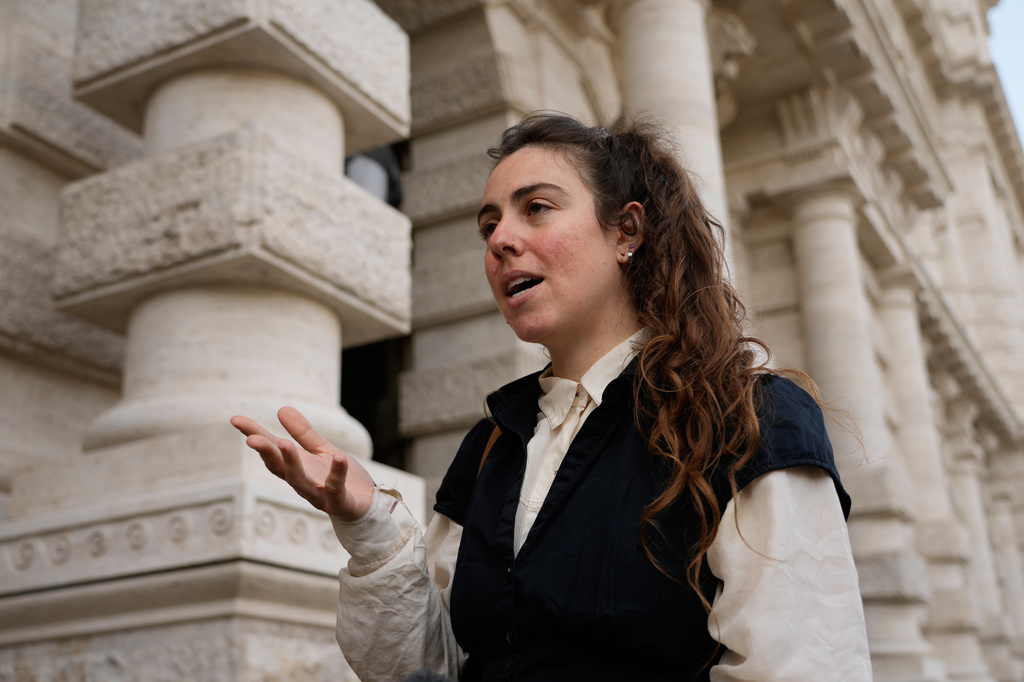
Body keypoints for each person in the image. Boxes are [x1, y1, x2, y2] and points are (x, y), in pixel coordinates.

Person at [231, 113, 871, 681]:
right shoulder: (492, 446)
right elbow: (435, 665)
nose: (500, 239)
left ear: (627, 231)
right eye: (489, 224)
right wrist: (368, 523)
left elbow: (804, 665)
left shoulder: (751, 420)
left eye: (535, 208)